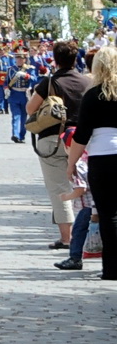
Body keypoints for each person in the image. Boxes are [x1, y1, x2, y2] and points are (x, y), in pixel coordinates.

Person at [27, 41, 91, 252]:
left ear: (55, 59)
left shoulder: (50, 82)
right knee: (82, 188)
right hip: (79, 140)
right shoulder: (86, 82)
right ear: (76, 59)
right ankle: (88, 233)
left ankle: (67, 238)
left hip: (52, 139)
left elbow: (30, 108)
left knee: (58, 189)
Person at [65, 44, 117, 281]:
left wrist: (71, 163)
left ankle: (111, 268)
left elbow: (82, 134)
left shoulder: (93, 95)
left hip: (101, 157)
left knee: (107, 215)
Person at [6, 51, 36, 141]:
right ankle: (15, 134)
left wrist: (27, 75)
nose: (19, 60)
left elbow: (35, 79)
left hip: (25, 95)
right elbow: (6, 81)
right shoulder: (11, 69)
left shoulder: (30, 69)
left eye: (21, 58)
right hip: (14, 94)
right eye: (17, 58)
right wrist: (6, 89)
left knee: (23, 116)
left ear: (25, 59)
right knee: (15, 115)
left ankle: (22, 135)